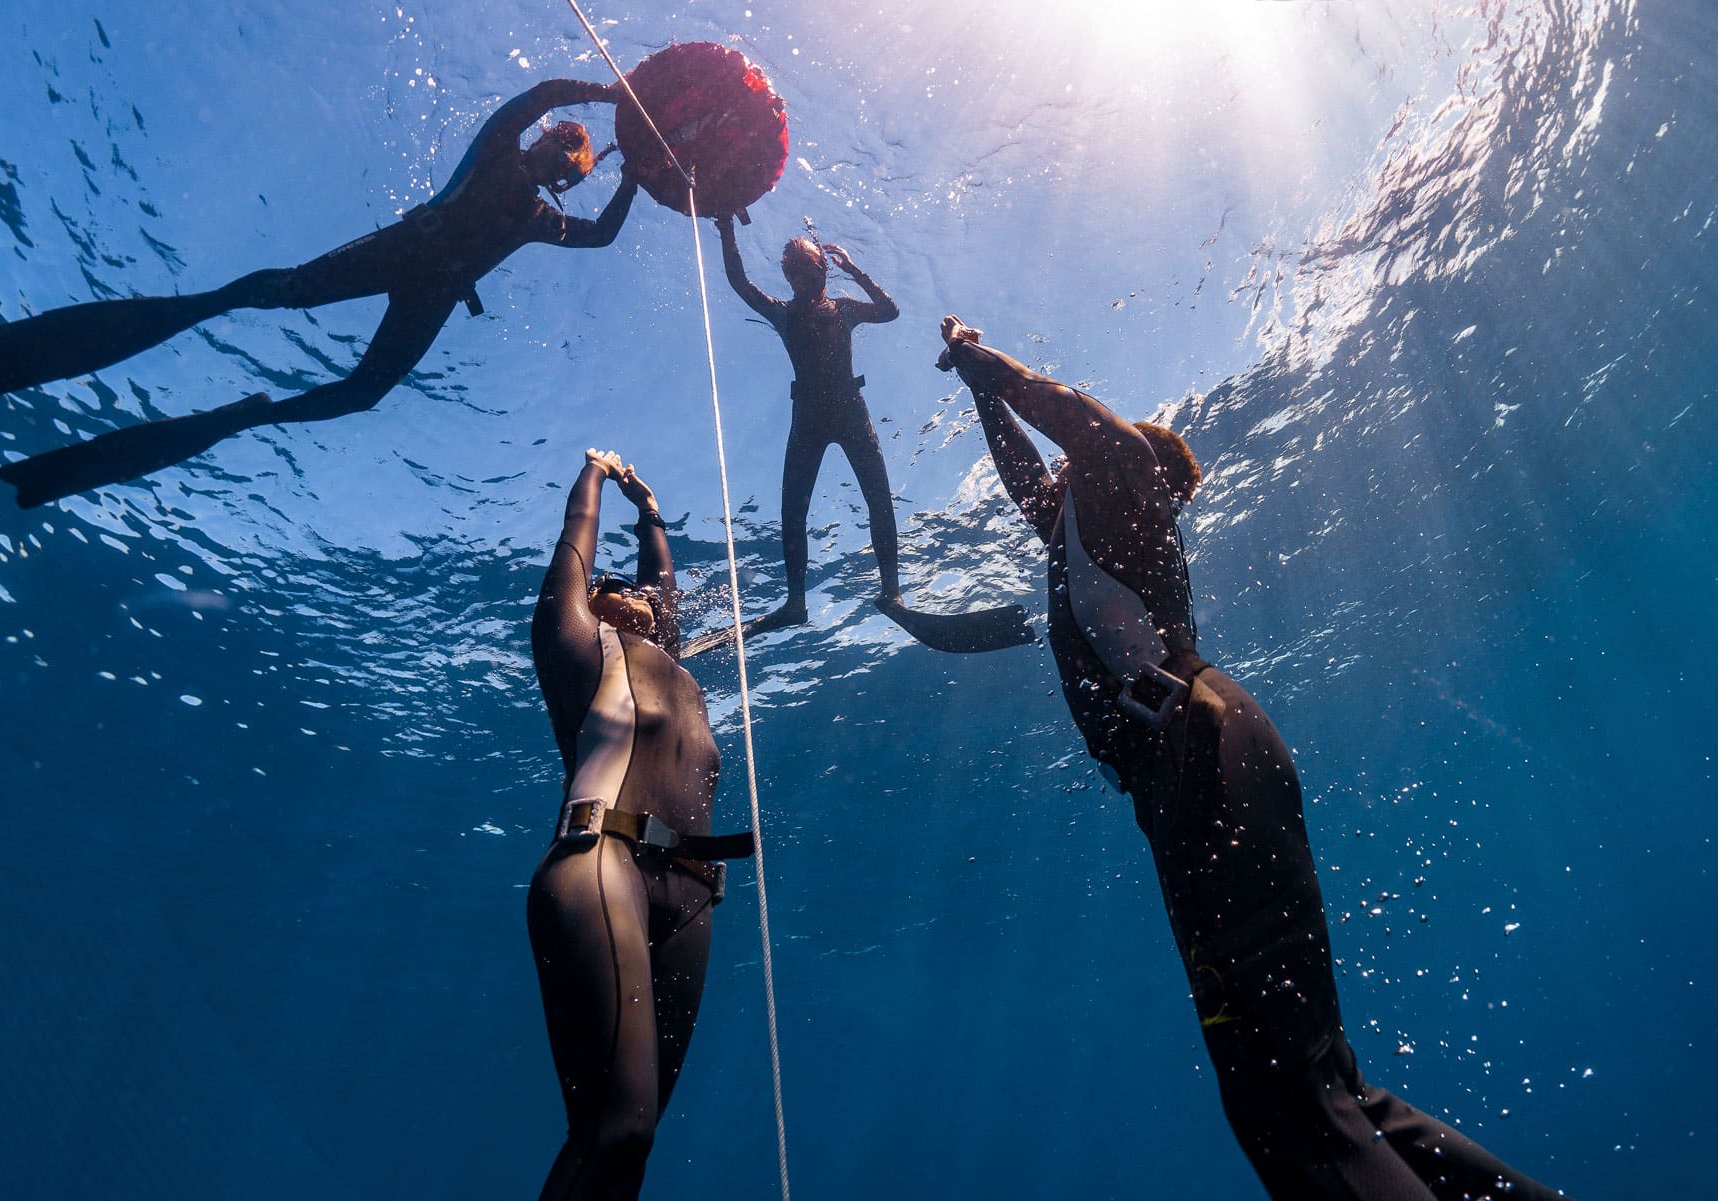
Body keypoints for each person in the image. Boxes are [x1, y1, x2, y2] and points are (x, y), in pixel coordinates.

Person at [938, 316, 1575, 1201]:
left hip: (1195, 747)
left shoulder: (1124, 467)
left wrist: (981, 358)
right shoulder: (1082, 522)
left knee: (1287, 1103)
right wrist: (980, 396)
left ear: (1142, 470)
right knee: (1324, 1082)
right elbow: (1026, 480)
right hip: (1196, 752)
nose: (1066, 476)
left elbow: (1073, 418)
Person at [0, 78, 640, 509]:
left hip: (434, 291)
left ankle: (250, 414)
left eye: (574, 157)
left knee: (363, 392)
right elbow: (539, 95)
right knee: (275, 293)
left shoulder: (543, 218)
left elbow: (602, 237)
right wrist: (610, 98)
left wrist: (635, 172)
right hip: (404, 251)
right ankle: (203, 307)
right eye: (561, 141)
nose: (564, 152)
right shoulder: (497, 148)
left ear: (569, 177)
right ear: (540, 142)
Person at [528, 448, 754, 1201]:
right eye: (610, 586)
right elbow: (576, 536)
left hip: (691, 896)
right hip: (602, 861)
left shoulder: (675, 664)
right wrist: (595, 474)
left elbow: (664, 585)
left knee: (634, 1140)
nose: (639, 596)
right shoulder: (575, 646)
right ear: (586, 600)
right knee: (616, 1130)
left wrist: (650, 508)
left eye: (648, 595)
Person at [691, 215, 1029, 656]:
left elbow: (890, 311)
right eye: (791, 269)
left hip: (851, 411)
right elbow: (738, 282)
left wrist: (853, 267)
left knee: (879, 499)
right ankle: (795, 602)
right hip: (808, 418)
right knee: (793, 511)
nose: (798, 274)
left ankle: (892, 591)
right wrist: (725, 228)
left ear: (822, 270)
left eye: (807, 266)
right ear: (788, 275)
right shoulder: (781, 312)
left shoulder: (844, 309)